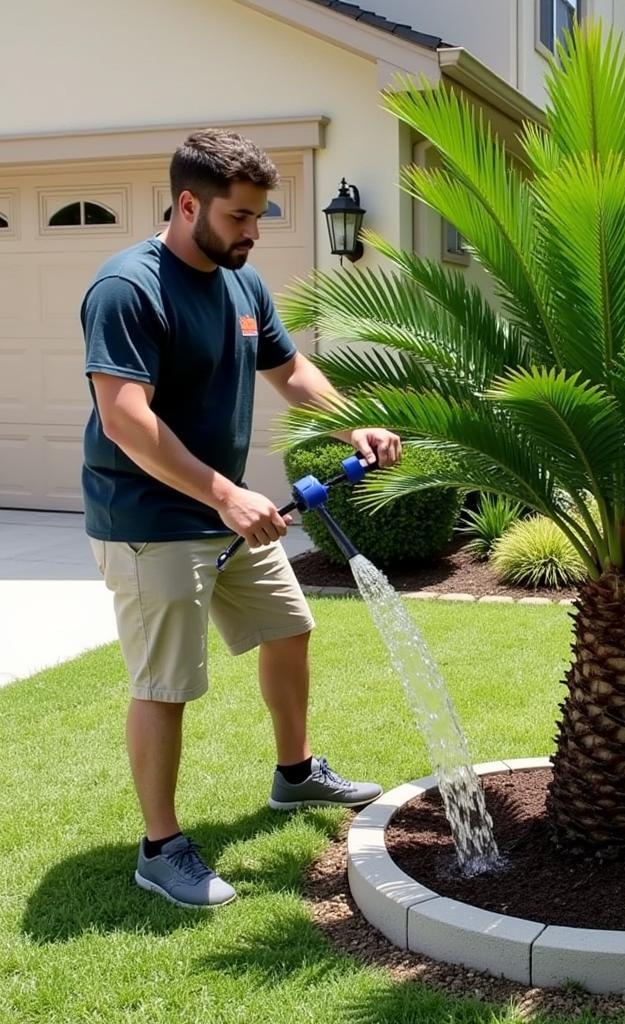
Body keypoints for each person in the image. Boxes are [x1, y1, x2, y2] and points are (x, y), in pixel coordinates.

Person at [81, 129, 401, 909]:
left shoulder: (242, 283)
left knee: (289, 627)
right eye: (239, 217)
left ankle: (294, 775)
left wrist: (347, 422)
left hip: (223, 510)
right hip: (147, 515)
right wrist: (224, 493)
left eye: (260, 216)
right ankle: (161, 847)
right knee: (166, 683)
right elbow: (124, 418)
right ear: (188, 204)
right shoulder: (129, 288)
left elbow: (288, 369)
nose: (253, 232)